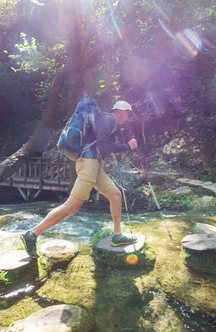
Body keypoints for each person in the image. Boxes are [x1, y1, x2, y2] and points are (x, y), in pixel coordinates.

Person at [21, 100, 138, 258]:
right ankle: (32, 234)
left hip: (95, 165)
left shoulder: (104, 120)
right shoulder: (109, 119)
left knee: (115, 195)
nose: (128, 117)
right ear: (121, 111)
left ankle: (117, 236)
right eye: (128, 113)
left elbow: (100, 145)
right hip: (89, 165)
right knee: (72, 206)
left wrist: (110, 151)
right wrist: (126, 147)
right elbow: (103, 145)